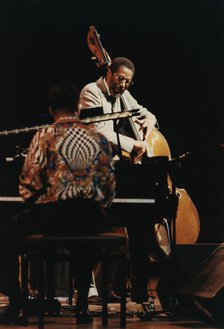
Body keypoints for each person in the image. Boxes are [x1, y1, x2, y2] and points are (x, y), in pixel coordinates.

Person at [0, 81, 116, 325]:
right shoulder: (97, 137)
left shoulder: (44, 136)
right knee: (82, 237)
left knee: (6, 232)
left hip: (55, 216)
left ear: (51, 109)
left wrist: (37, 203)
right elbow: (109, 186)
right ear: (77, 106)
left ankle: (16, 302)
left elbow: (28, 185)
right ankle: (83, 306)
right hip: (92, 216)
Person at [78, 57, 165, 318]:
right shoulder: (91, 91)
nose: (123, 85)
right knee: (96, 231)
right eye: (120, 79)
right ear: (109, 73)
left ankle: (139, 295)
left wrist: (150, 123)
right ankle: (85, 295)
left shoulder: (125, 95)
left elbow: (145, 113)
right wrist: (133, 144)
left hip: (121, 172)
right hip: (95, 172)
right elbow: (98, 130)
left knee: (138, 230)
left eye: (128, 81)